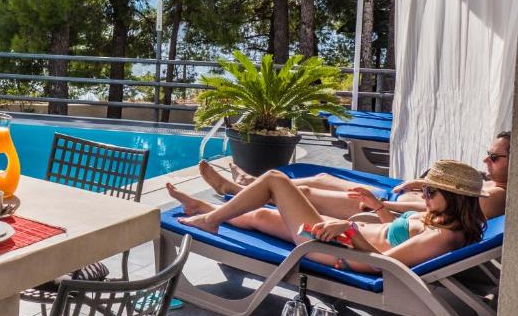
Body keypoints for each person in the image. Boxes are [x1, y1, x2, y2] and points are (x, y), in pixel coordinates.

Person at [168, 160, 488, 273]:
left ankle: (211, 218)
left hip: (333, 251)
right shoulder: (444, 223)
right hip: (338, 240)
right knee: (263, 219)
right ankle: (206, 210)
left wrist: (349, 230)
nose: (425, 197)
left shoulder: (443, 236)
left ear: (457, 199)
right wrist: (377, 207)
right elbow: (395, 234)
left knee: (275, 180)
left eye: (432, 192)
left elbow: (383, 264)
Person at [196, 131, 509, 221]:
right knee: (318, 177)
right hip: (391, 199)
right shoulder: (492, 184)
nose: (486, 159)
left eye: (494, 157)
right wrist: (423, 184)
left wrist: (386, 207)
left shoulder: (497, 195)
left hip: (384, 206)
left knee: (302, 193)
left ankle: (234, 189)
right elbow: (449, 197)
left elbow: (447, 212)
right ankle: (249, 184)